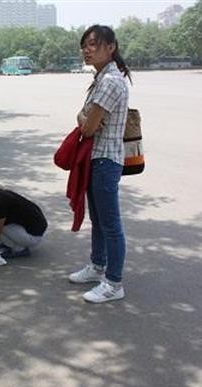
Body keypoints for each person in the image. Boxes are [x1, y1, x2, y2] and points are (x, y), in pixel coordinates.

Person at [68, 25, 131, 303]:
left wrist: (83, 119)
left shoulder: (110, 82)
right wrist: (84, 117)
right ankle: (97, 266)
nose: (87, 50)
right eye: (84, 45)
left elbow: (88, 127)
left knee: (110, 224)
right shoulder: (102, 78)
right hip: (97, 158)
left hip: (105, 160)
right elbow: (85, 118)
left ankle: (114, 283)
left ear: (111, 47)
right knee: (98, 220)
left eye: (93, 44)